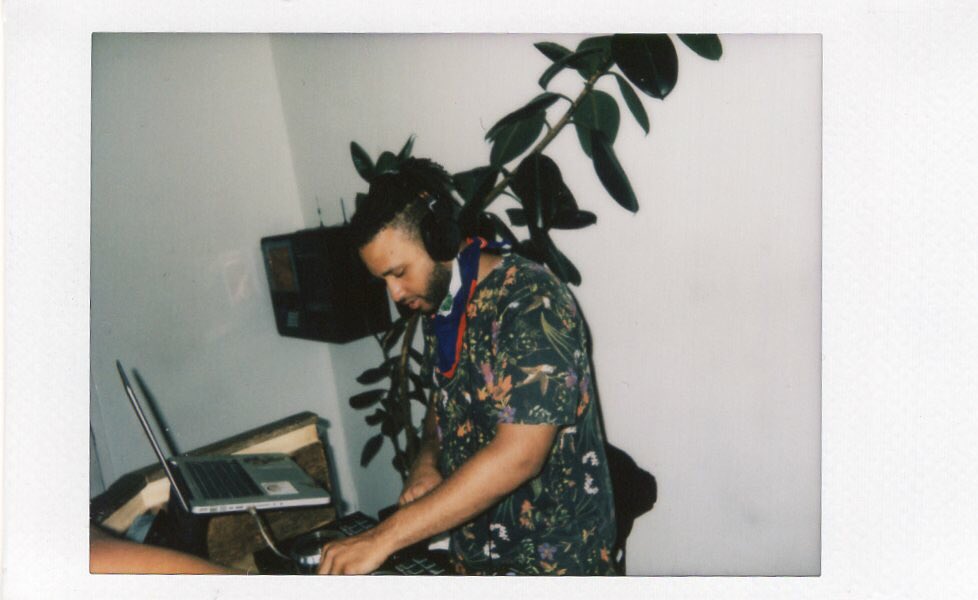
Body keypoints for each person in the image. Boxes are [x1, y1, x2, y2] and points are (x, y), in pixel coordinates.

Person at [318, 159, 616, 575]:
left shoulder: (531, 302)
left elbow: (520, 456)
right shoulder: (441, 305)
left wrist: (382, 537)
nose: (395, 294)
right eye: (383, 280)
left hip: (556, 566)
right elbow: (443, 404)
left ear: (439, 239)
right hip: (475, 562)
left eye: (399, 272)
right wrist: (427, 461)